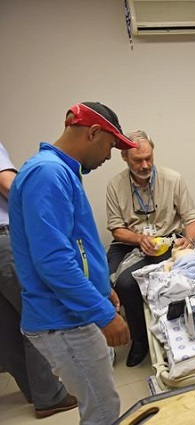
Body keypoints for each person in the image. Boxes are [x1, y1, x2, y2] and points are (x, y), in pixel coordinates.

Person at [9, 102, 132, 425]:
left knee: (101, 401)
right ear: (93, 132)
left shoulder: (58, 170)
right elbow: (53, 260)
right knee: (103, 411)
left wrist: (102, 289)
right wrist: (104, 314)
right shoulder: (48, 174)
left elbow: (76, 245)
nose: (109, 156)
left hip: (71, 312)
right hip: (62, 319)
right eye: (110, 145)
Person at [106, 130, 195, 367]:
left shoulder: (173, 179)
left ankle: (140, 340)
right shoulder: (115, 186)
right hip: (128, 242)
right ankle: (130, 334)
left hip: (164, 240)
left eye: (149, 158)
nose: (145, 164)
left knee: (127, 282)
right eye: (138, 160)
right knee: (105, 280)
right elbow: (116, 229)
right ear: (124, 157)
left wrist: (188, 241)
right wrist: (139, 239)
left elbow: (191, 218)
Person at [0, 142, 78, 419]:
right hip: (3, 239)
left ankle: (33, 390)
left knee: (6, 326)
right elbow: (10, 186)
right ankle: (50, 396)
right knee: (35, 316)